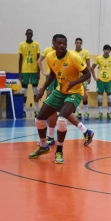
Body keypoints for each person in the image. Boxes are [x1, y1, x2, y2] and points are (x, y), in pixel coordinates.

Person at [28, 34, 93, 163]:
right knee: (39, 119)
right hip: (60, 90)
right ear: (54, 43)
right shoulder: (50, 56)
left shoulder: (74, 57)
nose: (62, 45)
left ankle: (59, 151)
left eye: (64, 43)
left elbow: (87, 74)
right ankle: (43, 146)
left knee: (62, 120)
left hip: (74, 92)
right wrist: (43, 89)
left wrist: (74, 83)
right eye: (59, 43)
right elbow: (52, 73)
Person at [18, 29, 41, 117]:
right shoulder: (21, 45)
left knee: (35, 91)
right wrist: (19, 72)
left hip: (34, 71)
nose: (29, 35)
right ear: (25, 34)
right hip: (25, 71)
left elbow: (38, 59)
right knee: (24, 91)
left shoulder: (36, 44)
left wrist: (39, 72)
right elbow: (20, 59)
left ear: (32, 35)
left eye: (30, 33)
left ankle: (36, 109)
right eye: (28, 33)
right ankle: (24, 110)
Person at [91, 44, 111, 120]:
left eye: (108, 50)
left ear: (109, 51)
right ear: (103, 50)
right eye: (105, 50)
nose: (106, 51)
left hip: (109, 81)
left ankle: (109, 113)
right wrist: (95, 78)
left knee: (109, 97)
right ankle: (100, 113)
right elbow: (92, 68)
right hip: (101, 81)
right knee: (99, 97)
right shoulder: (99, 58)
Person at [72, 38, 91, 120]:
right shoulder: (71, 53)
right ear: (75, 43)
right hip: (75, 77)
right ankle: (78, 112)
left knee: (84, 95)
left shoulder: (85, 52)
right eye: (77, 43)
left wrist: (89, 76)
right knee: (76, 94)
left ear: (81, 44)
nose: (78, 44)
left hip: (83, 77)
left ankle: (86, 112)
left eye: (80, 43)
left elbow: (88, 65)